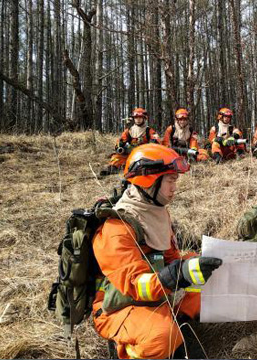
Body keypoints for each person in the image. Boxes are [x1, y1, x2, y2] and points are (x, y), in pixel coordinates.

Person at [92, 144, 223, 358]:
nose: (174, 188)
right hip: (117, 308)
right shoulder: (117, 228)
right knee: (162, 337)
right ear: (149, 181)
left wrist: (190, 267)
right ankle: (125, 347)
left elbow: (171, 258)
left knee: (209, 288)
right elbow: (134, 286)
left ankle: (171, 322)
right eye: (170, 181)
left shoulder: (156, 212)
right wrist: (178, 275)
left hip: (157, 297)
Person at [103, 108, 160, 175]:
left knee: (147, 161)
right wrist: (120, 145)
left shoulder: (149, 130)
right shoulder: (129, 130)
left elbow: (157, 140)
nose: (138, 119)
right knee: (116, 157)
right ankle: (112, 168)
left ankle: (133, 167)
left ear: (144, 118)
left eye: (140, 117)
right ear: (134, 119)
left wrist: (154, 143)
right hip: (130, 153)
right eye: (136, 118)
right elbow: (121, 140)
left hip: (143, 154)